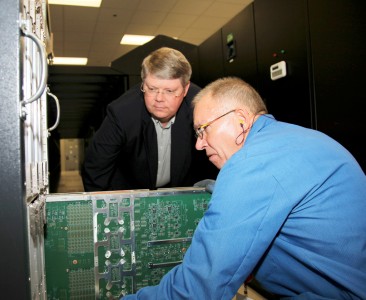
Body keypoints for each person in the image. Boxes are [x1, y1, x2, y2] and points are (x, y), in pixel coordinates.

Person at [122, 77, 366, 299]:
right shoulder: (297, 139)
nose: (199, 144)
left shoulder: (253, 161)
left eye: (202, 130)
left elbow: (196, 289)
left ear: (240, 119)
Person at [82, 47, 217, 191]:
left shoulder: (203, 108)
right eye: (152, 89)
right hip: (131, 190)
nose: (159, 99)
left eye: (169, 91)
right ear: (143, 83)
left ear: (185, 89)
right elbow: (95, 169)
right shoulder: (122, 113)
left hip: (184, 189)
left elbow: (223, 157)